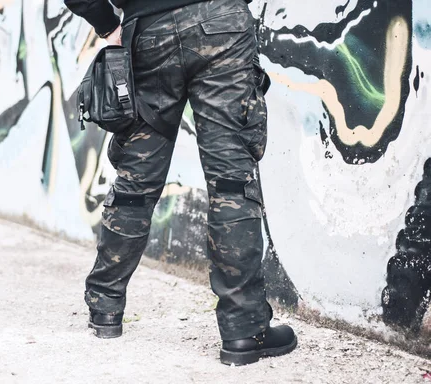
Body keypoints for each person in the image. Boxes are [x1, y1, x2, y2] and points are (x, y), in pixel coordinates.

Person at [64, 0, 297, 366]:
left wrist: (107, 24)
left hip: (148, 34)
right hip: (223, 26)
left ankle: (105, 308)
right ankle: (243, 332)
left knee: (135, 183)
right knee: (231, 183)